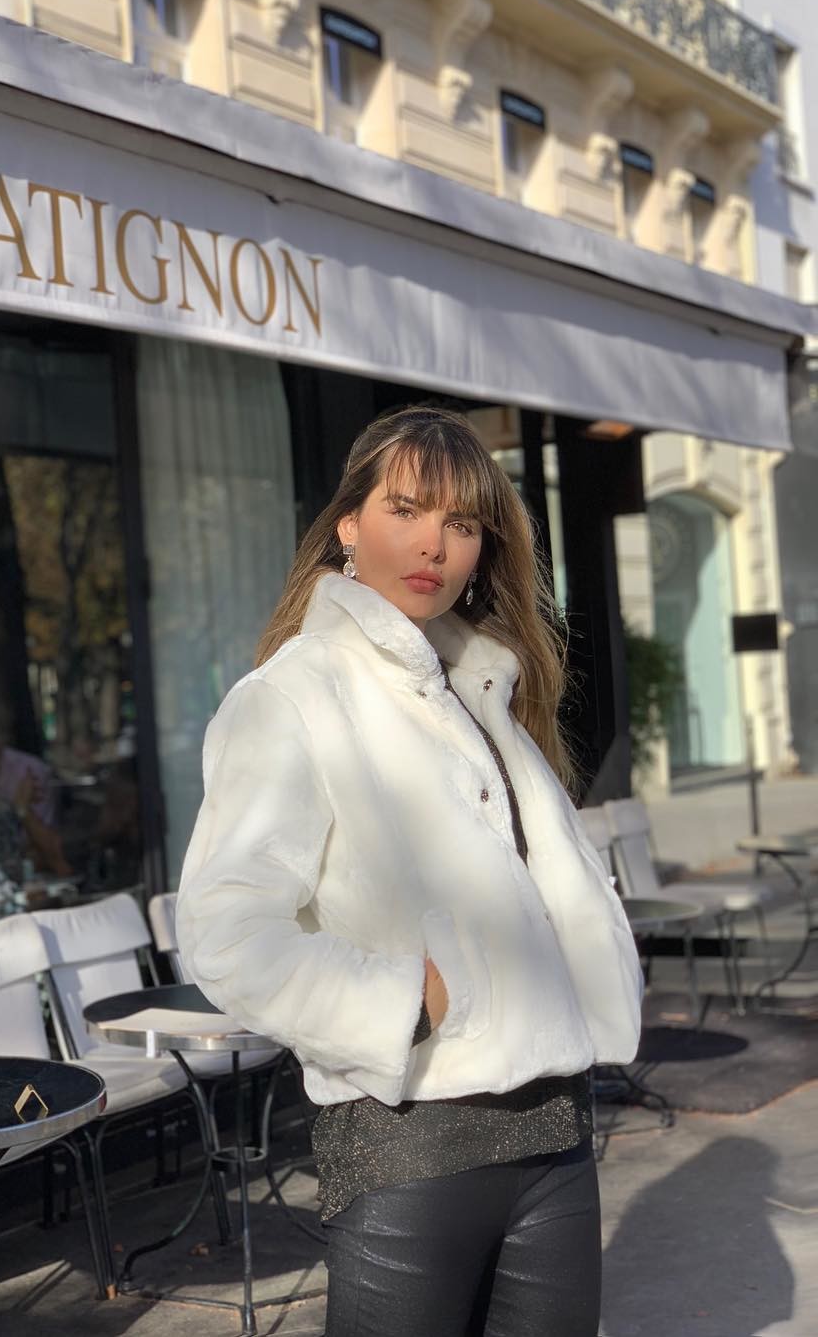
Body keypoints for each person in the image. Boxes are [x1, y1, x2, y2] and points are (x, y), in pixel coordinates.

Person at [175, 406, 643, 1337]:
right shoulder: (292, 695)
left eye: (462, 523)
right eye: (406, 509)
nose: (434, 543)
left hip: (555, 1134)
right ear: (349, 523)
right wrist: (401, 1000)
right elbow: (226, 931)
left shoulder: (482, 690)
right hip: (411, 1144)